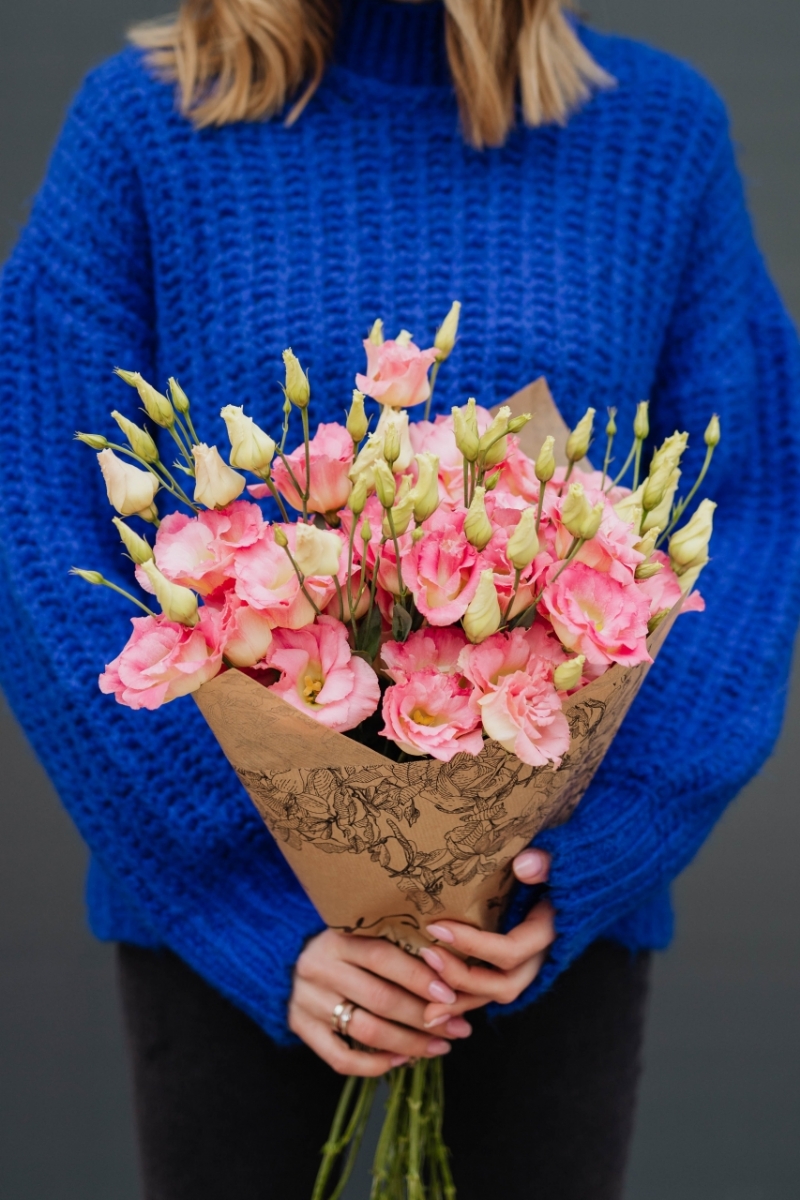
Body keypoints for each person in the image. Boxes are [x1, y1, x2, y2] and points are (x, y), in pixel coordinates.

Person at [0, 0, 798, 1197]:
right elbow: (36, 515)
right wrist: (243, 910)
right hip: (232, 948)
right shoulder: (145, 126)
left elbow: (745, 514)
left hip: (531, 948)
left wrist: (591, 851)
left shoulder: (656, 134)